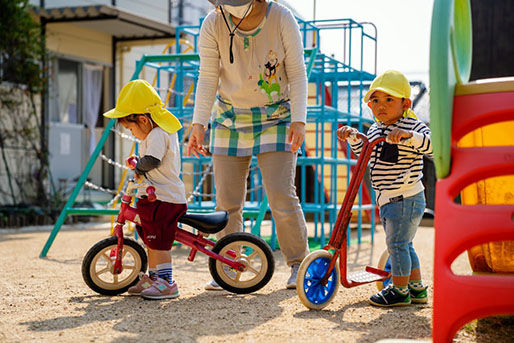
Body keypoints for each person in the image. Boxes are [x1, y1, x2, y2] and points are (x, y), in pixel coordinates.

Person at [187, 0, 310, 290]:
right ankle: (228, 265)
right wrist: (198, 124)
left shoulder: (281, 17)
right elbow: (207, 76)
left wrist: (299, 120)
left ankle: (298, 265)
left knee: (281, 195)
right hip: (229, 117)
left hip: (276, 116)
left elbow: (297, 71)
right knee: (228, 202)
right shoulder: (213, 23)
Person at [337, 70, 432, 307]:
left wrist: (409, 136)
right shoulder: (376, 128)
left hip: (406, 197)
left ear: (405, 103)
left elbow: (433, 147)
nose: (381, 106)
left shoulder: (412, 125)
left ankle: (399, 291)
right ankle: (416, 289)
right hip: (387, 199)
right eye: (375, 100)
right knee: (404, 244)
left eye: (389, 100)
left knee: (397, 245)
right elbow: (366, 154)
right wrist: (353, 138)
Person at [104, 79, 187, 300]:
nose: (132, 133)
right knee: (150, 238)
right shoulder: (155, 133)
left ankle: (167, 283)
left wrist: (138, 165)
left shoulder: (159, 134)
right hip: (154, 197)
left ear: (143, 119)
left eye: (131, 128)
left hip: (164, 198)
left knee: (159, 241)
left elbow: (152, 160)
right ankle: (154, 277)